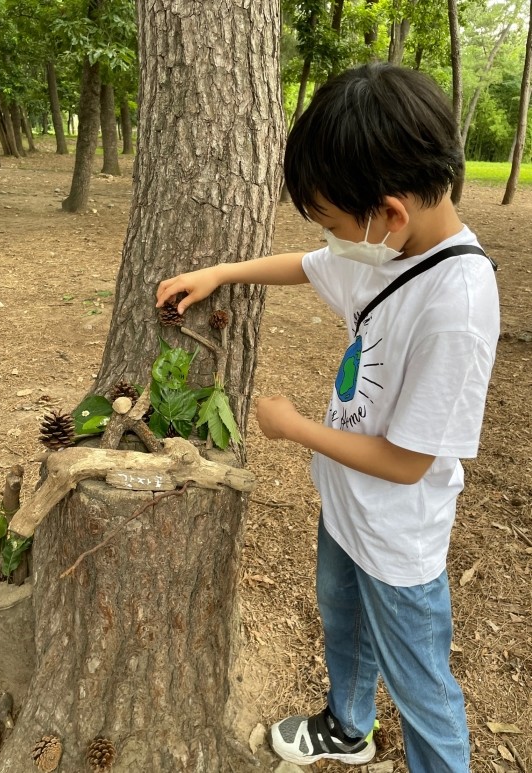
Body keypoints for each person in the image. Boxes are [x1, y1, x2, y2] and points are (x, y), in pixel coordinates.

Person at [156, 63, 499, 772]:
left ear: (390, 211)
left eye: (336, 222)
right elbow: (311, 264)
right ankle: (348, 725)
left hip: (399, 543)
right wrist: (221, 272)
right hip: (347, 512)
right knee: (343, 620)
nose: (331, 238)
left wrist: (294, 427)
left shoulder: (457, 307)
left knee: (422, 685)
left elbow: (409, 462)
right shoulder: (386, 249)